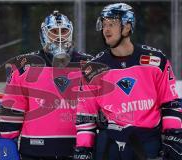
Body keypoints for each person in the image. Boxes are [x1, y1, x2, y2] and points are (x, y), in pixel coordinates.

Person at [73, 3, 182, 160]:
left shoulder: (156, 61)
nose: (106, 30)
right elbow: (85, 115)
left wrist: (173, 137)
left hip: (148, 144)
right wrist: (84, 149)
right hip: (110, 147)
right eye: (104, 25)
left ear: (127, 26)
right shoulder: (93, 68)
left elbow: (170, 103)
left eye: (112, 24)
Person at [0, 10, 93, 160]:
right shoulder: (25, 66)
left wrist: (91, 145)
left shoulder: (88, 64)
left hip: (77, 151)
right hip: (34, 151)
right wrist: (8, 148)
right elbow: (12, 112)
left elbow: (96, 109)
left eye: (63, 31)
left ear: (70, 33)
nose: (59, 37)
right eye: (53, 32)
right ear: (43, 34)